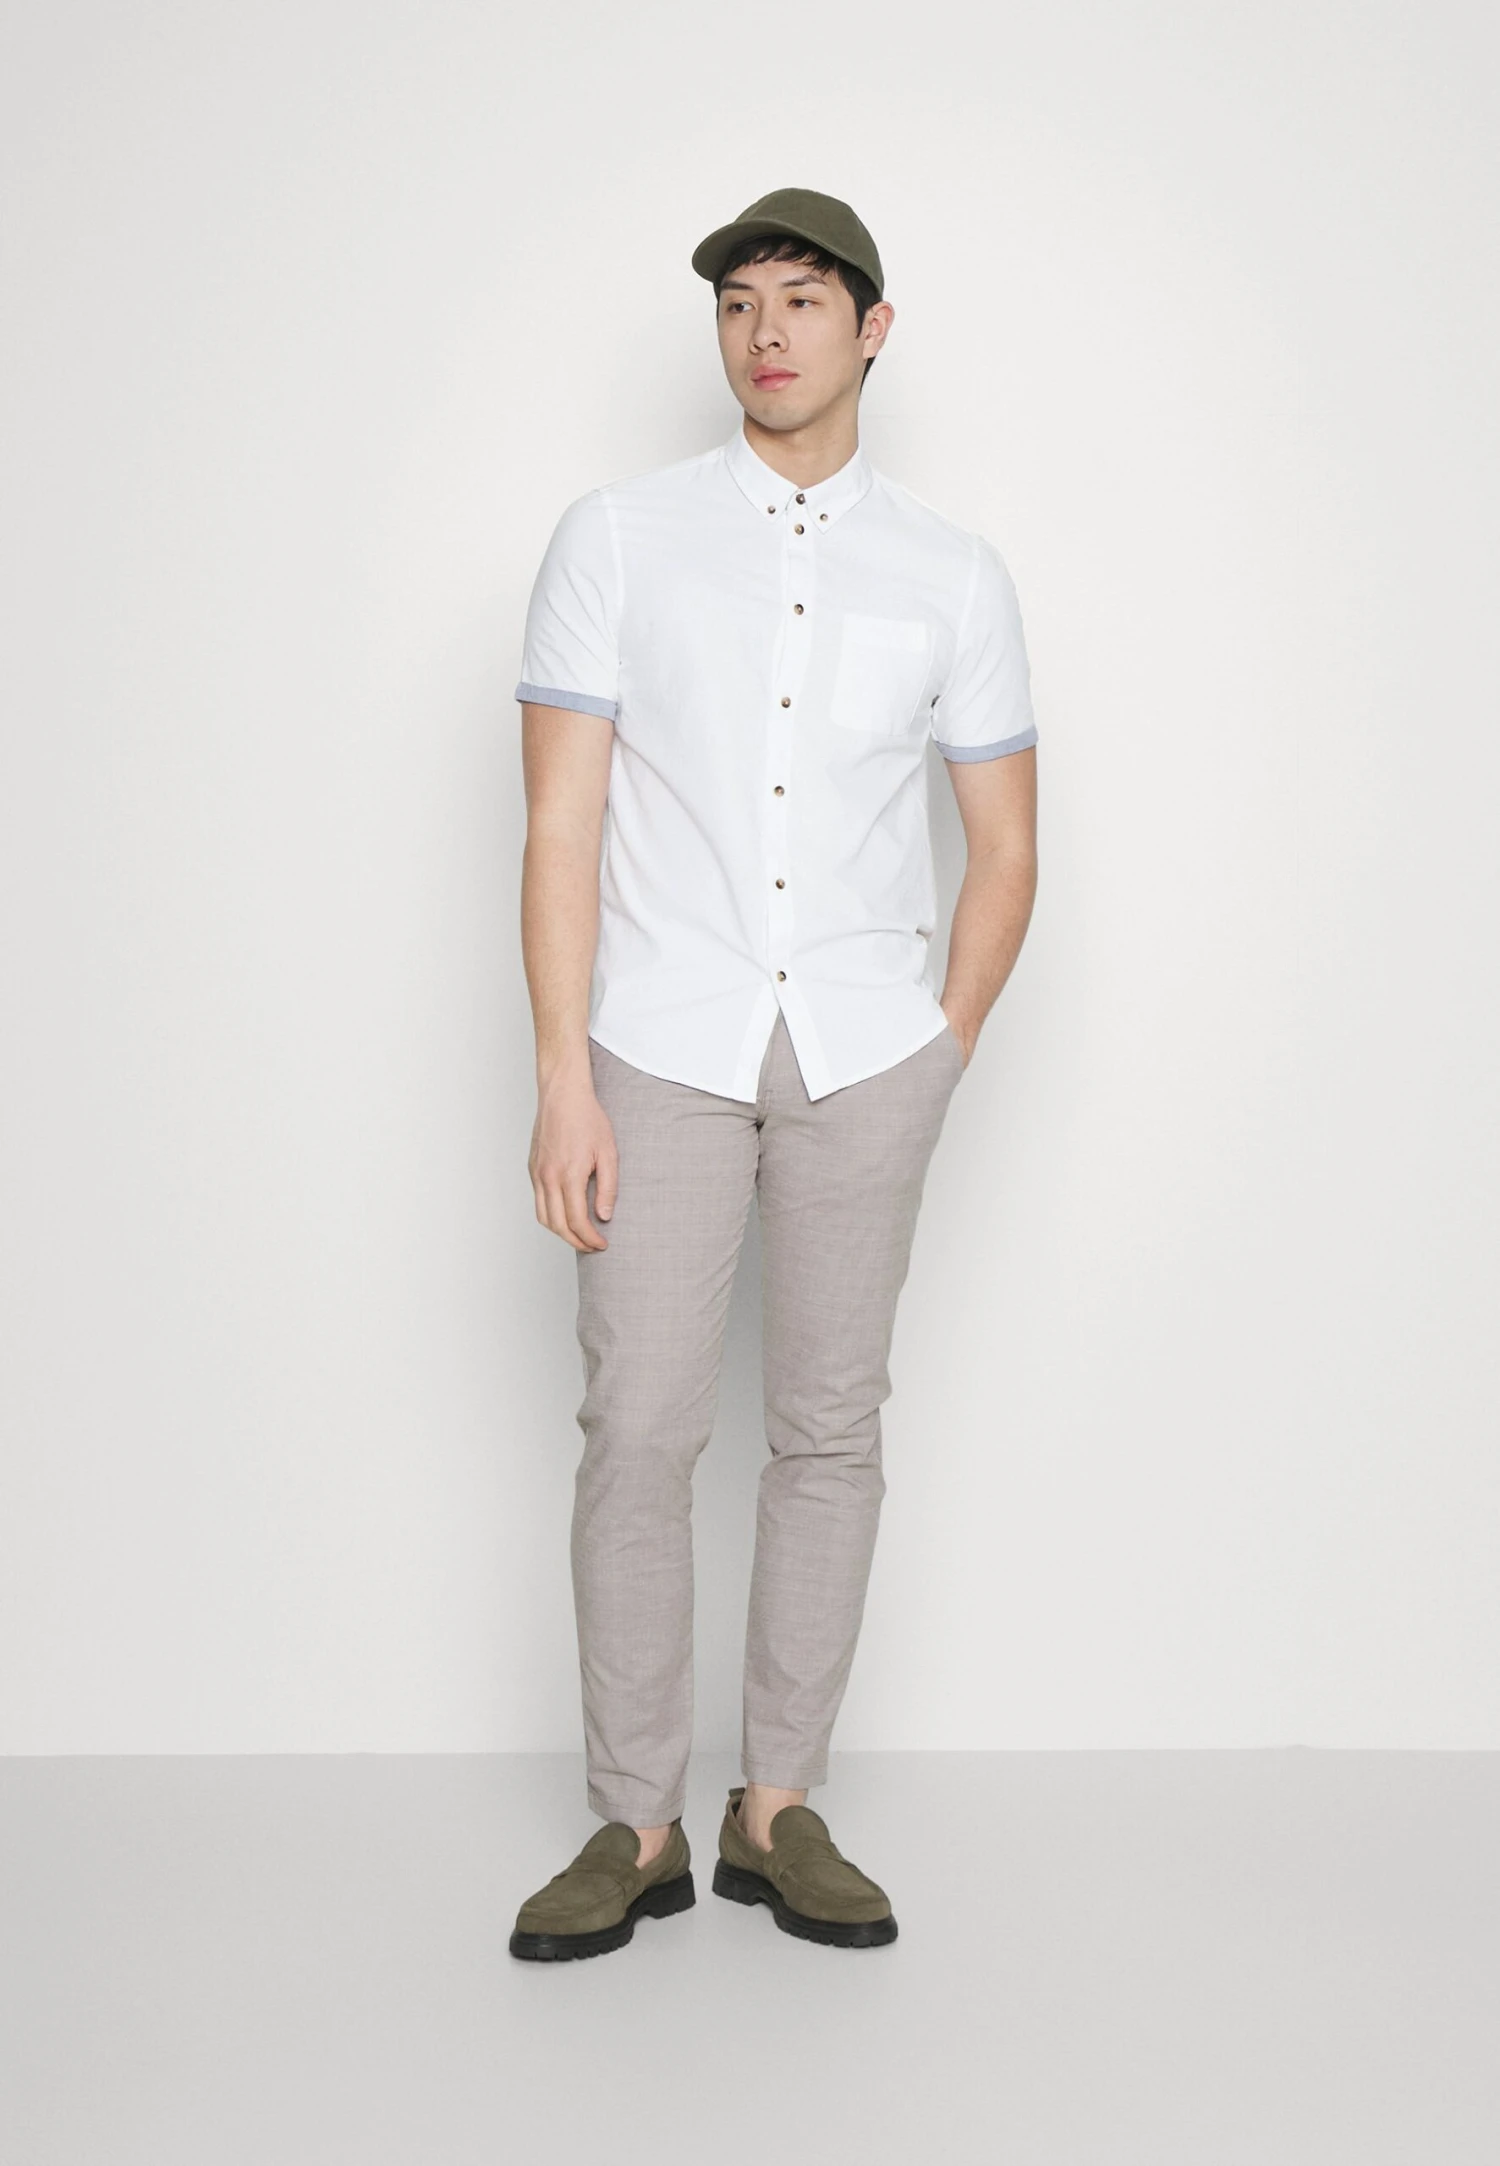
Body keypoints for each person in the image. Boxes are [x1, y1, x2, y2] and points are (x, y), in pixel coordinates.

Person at [508, 188, 1039, 1962]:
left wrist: (941, 1047)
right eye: (740, 301)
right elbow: (560, 824)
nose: (767, 332)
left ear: (871, 328)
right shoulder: (617, 539)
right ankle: (636, 1822)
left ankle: (778, 1808)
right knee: (639, 1429)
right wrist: (563, 1075)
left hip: (867, 1055)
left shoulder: (954, 573)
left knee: (828, 1430)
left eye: (803, 298)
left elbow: (1006, 845)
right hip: (658, 1044)